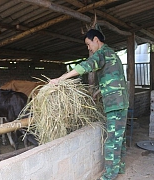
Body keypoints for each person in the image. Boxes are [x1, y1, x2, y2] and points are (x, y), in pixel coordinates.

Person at [49, 29, 129, 180]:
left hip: (115, 104)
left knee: (112, 140)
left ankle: (109, 176)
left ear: (96, 40)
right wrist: (98, 92)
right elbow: (114, 78)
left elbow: (85, 66)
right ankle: (121, 167)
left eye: (88, 44)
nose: (88, 48)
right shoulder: (112, 53)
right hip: (121, 101)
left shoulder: (102, 53)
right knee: (120, 137)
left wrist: (60, 79)